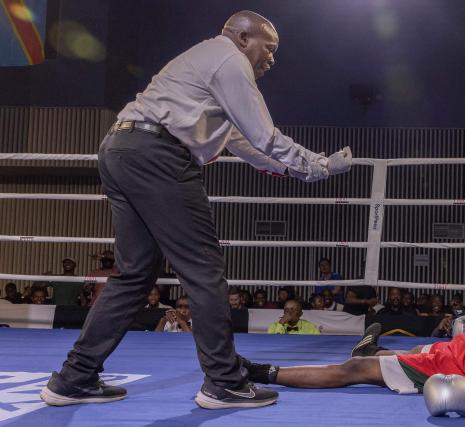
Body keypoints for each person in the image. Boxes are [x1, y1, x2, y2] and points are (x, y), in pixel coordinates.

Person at [40, 10, 352, 410]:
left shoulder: (207, 70)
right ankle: (223, 382)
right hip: (158, 155)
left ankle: (73, 378)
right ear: (242, 37)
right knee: (204, 272)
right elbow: (265, 134)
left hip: (122, 148)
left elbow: (247, 144)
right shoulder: (229, 60)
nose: (271, 59)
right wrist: (317, 165)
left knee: (134, 274)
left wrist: (299, 168)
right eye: (268, 48)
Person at [245, 252, 465, 416]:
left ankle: (262, 372)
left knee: (353, 370)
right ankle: (375, 353)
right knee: (407, 354)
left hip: (464, 370)